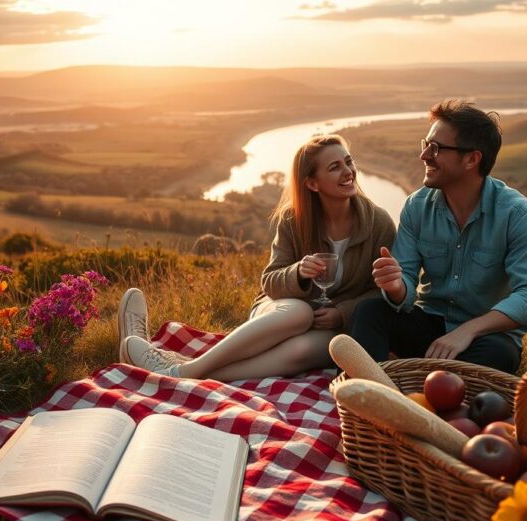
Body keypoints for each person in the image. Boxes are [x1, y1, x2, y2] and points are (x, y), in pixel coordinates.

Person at [118, 134, 396, 381]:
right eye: (335, 167)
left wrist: (341, 313)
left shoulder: (379, 223)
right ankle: (186, 369)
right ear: (312, 183)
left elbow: (381, 292)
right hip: (281, 311)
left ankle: (186, 372)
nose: (348, 172)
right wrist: (298, 272)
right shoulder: (293, 220)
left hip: (331, 326)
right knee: (299, 313)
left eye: (348, 162)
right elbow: (270, 282)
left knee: (309, 349)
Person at [350, 99, 527, 374]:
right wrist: (396, 286)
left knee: (498, 354)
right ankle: (369, 389)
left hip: (485, 335)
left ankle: (416, 381)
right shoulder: (416, 206)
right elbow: (405, 287)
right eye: (425, 144)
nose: (424, 155)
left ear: (472, 159)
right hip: (429, 325)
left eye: (435, 148)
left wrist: (468, 330)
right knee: (369, 312)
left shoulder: (517, 214)